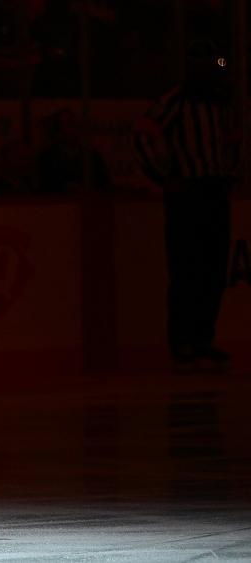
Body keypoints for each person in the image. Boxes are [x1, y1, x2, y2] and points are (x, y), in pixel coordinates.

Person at [134, 39, 239, 373]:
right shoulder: (177, 99)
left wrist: (230, 172)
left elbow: (230, 142)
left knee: (213, 268)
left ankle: (202, 339)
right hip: (188, 192)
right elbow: (143, 133)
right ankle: (183, 341)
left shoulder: (221, 102)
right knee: (186, 268)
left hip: (214, 189)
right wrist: (164, 177)